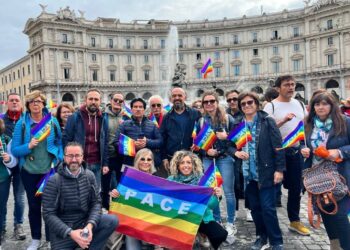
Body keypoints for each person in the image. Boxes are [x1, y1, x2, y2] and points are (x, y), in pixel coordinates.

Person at [12, 90, 63, 250]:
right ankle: (35, 238)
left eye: (39, 101)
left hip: (48, 172)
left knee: (49, 207)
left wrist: (58, 156)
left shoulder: (52, 121)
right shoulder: (22, 124)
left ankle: (49, 239)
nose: (36, 104)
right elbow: (14, 150)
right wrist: (28, 146)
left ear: (43, 104)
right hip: (29, 172)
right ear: (28, 105)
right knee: (34, 207)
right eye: (32, 101)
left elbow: (59, 141)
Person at [42, 142, 118, 250]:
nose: (74, 159)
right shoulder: (53, 181)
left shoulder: (89, 176)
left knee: (112, 220)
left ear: (82, 157)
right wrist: (70, 232)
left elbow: (96, 203)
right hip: (64, 232)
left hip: (84, 224)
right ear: (64, 157)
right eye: (70, 156)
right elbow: (48, 214)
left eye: (77, 155)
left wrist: (90, 225)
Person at [235, 92, 285, 250]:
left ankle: (276, 241)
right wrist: (235, 152)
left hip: (266, 172)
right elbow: (229, 145)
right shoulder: (238, 124)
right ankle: (261, 237)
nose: (247, 106)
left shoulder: (267, 121)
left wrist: (279, 169)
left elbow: (278, 146)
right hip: (248, 174)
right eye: (243, 104)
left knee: (268, 209)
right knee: (255, 209)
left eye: (250, 102)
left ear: (256, 104)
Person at [301, 91, 350, 250]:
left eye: (324, 103)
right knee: (328, 213)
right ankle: (335, 246)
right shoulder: (308, 125)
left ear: (332, 105)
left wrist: (340, 152)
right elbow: (303, 144)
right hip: (317, 177)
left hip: (340, 175)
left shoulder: (344, 122)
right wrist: (304, 150)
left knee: (341, 216)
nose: (320, 107)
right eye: (317, 104)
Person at [263, 75, 310, 236]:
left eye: (292, 84)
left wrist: (304, 145)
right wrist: (282, 121)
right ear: (278, 88)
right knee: (272, 189)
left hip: (295, 152)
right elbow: (265, 130)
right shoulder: (271, 106)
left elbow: (303, 128)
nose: (291, 87)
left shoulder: (299, 103)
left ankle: (294, 221)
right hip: (276, 153)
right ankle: (269, 225)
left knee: (296, 189)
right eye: (286, 85)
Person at [168, 150, 229, 250]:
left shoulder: (202, 180)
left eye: (189, 162)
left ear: (194, 164)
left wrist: (217, 196)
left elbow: (210, 206)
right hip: (181, 218)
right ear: (177, 165)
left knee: (220, 235)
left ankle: (209, 243)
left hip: (202, 217)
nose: (186, 165)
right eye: (182, 163)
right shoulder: (171, 180)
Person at [196, 91, 237, 235]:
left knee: (228, 192)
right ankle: (217, 219)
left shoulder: (228, 118)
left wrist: (227, 137)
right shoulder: (201, 121)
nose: (209, 104)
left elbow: (237, 140)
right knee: (212, 191)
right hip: (209, 159)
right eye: (205, 102)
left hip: (225, 158)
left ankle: (231, 222)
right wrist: (206, 152)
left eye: (212, 101)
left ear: (217, 102)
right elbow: (197, 145)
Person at [110, 148, 159, 250]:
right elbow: (121, 200)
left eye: (149, 159)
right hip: (132, 222)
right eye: (142, 159)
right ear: (137, 161)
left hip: (150, 221)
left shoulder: (158, 180)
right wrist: (115, 195)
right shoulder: (129, 178)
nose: (146, 162)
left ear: (152, 162)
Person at [64, 88, 109, 189]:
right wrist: (69, 160)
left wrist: (105, 163)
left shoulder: (103, 118)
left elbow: (105, 142)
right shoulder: (74, 117)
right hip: (79, 163)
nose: (93, 102)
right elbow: (67, 140)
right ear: (86, 100)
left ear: (100, 101)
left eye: (96, 99)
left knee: (95, 194)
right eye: (91, 99)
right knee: (78, 193)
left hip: (97, 164)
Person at [1, 93, 26, 241]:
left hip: (21, 166)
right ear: (7, 103)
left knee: (19, 198)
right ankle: (1, 227)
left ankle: (19, 225)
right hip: (3, 166)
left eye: (17, 100)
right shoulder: (1, 120)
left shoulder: (25, 120)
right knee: (1, 199)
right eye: (12, 100)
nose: (14, 102)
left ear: (21, 103)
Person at [160, 87, 201, 173]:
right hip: (172, 158)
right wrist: (164, 158)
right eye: (174, 96)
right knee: (174, 185)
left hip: (191, 158)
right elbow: (162, 139)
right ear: (171, 99)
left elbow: (201, 133)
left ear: (185, 97)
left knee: (191, 184)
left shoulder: (195, 113)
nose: (177, 98)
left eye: (180, 95)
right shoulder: (166, 117)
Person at [114, 98, 162, 168]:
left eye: (140, 107)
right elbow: (115, 143)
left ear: (144, 109)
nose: (138, 109)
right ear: (131, 109)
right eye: (135, 107)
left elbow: (160, 142)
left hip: (148, 164)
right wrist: (132, 145)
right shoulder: (124, 124)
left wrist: (147, 142)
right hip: (129, 163)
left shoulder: (152, 124)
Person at [101, 92, 126, 210]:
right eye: (116, 100)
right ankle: (105, 207)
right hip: (108, 155)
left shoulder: (126, 116)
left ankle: (119, 208)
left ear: (123, 103)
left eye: (120, 101)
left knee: (121, 184)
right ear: (111, 101)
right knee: (105, 184)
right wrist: (104, 161)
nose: (118, 103)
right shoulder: (103, 116)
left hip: (121, 156)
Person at [0, 119, 19, 249]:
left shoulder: (6, 139)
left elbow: (14, 161)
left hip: (3, 178)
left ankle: (1, 230)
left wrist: (9, 159)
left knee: (1, 207)